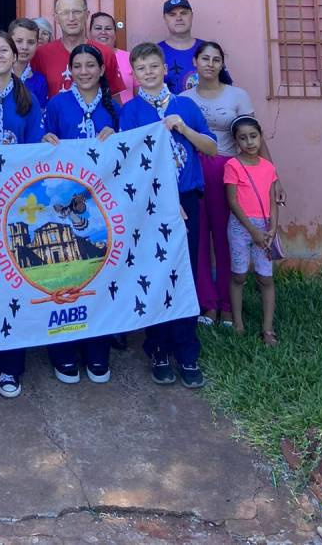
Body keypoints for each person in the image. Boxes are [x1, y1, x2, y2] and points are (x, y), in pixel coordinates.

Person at [119, 43, 217, 388]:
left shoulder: (185, 105)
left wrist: (184, 129)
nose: (148, 73)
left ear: (164, 69)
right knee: (155, 273)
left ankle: (187, 350)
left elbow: (211, 147)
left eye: (153, 66)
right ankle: (158, 347)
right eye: (141, 68)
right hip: (151, 204)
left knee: (184, 273)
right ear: (134, 74)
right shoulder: (131, 111)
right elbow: (130, 165)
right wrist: (164, 200)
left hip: (188, 198)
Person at [42, 43, 120, 383]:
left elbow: (127, 155)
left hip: (102, 204)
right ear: (69, 71)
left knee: (97, 273)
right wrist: (45, 142)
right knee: (65, 272)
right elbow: (41, 151)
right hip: (64, 199)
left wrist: (117, 138)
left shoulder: (114, 107)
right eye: (78, 66)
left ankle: (96, 349)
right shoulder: (57, 104)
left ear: (102, 70)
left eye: (91, 65)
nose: (84, 71)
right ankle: (63, 351)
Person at [0, 31, 42, 399]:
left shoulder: (27, 98)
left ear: (15, 56)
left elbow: (35, 150)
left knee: (15, 280)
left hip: (16, 202)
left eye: (5, 50)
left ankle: (12, 364)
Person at [181, 41, 257, 326]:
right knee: (199, 237)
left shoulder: (238, 95)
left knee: (226, 237)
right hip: (194, 171)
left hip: (228, 171)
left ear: (222, 64)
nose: (210, 64)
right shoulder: (183, 99)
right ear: (195, 62)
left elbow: (252, 135)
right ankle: (207, 304)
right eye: (205, 58)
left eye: (216, 59)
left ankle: (227, 304)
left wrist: (269, 174)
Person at [224, 116, 280, 345]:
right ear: (236, 141)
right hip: (241, 227)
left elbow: (272, 201)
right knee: (239, 275)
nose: (249, 142)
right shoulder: (232, 165)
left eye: (253, 136)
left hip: (265, 229)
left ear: (261, 137)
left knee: (265, 277)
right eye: (243, 138)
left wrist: (272, 229)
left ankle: (268, 328)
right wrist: (252, 231)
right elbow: (232, 201)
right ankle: (238, 323)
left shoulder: (269, 167)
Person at [32, 0, 125, 100]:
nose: (71, 18)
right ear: (56, 18)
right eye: (64, 13)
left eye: (77, 12)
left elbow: (115, 99)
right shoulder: (40, 54)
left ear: (86, 15)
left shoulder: (105, 53)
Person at [157, 0, 233, 95]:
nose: (179, 18)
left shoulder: (208, 49)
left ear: (192, 16)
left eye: (184, 13)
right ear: (165, 18)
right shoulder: (155, 52)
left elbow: (226, 87)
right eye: (172, 14)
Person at [89, 11, 135, 101]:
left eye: (108, 28)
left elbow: (139, 95)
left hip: (127, 109)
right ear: (90, 32)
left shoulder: (130, 58)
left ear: (115, 32)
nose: (103, 32)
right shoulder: (82, 58)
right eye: (98, 28)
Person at [8, 17, 49, 109]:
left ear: (37, 44)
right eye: (19, 41)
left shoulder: (40, 81)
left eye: (31, 42)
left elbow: (40, 114)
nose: (25, 47)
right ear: (9, 42)